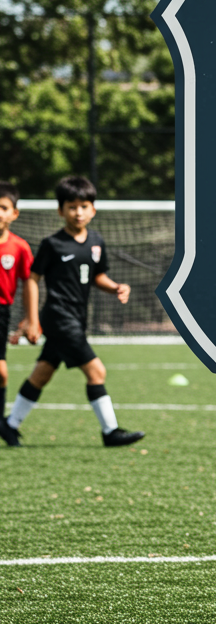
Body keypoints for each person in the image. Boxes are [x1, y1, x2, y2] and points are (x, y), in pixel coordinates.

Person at [0, 174, 145, 449]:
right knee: (96, 372)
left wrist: (116, 288)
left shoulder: (96, 242)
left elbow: (97, 276)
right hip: (58, 317)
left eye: (83, 206)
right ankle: (110, 431)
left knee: (42, 373)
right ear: (60, 210)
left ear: (93, 208)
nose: (78, 212)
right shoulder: (52, 244)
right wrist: (32, 320)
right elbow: (32, 278)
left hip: (78, 318)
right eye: (71, 206)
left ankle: (9, 424)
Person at [0, 183, 40, 420]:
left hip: (3, 312)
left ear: (14, 213)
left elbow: (30, 284)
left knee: (2, 374)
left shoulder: (20, 247)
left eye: (3, 207)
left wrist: (30, 319)